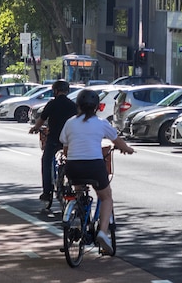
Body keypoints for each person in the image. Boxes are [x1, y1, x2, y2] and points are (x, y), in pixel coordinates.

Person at [59, 88, 134, 254]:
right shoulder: (101, 123)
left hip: (73, 167)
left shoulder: (70, 122)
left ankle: (78, 221)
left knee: (79, 193)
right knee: (106, 197)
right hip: (94, 166)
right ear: (97, 107)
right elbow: (118, 141)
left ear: (77, 105)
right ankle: (102, 232)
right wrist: (127, 149)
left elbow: (65, 148)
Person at [28, 80, 78, 205]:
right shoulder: (73, 105)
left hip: (54, 139)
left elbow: (41, 119)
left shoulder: (52, 104)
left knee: (46, 161)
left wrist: (35, 128)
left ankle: (47, 192)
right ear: (67, 91)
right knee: (73, 161)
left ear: (55, 91)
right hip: (69, 141)